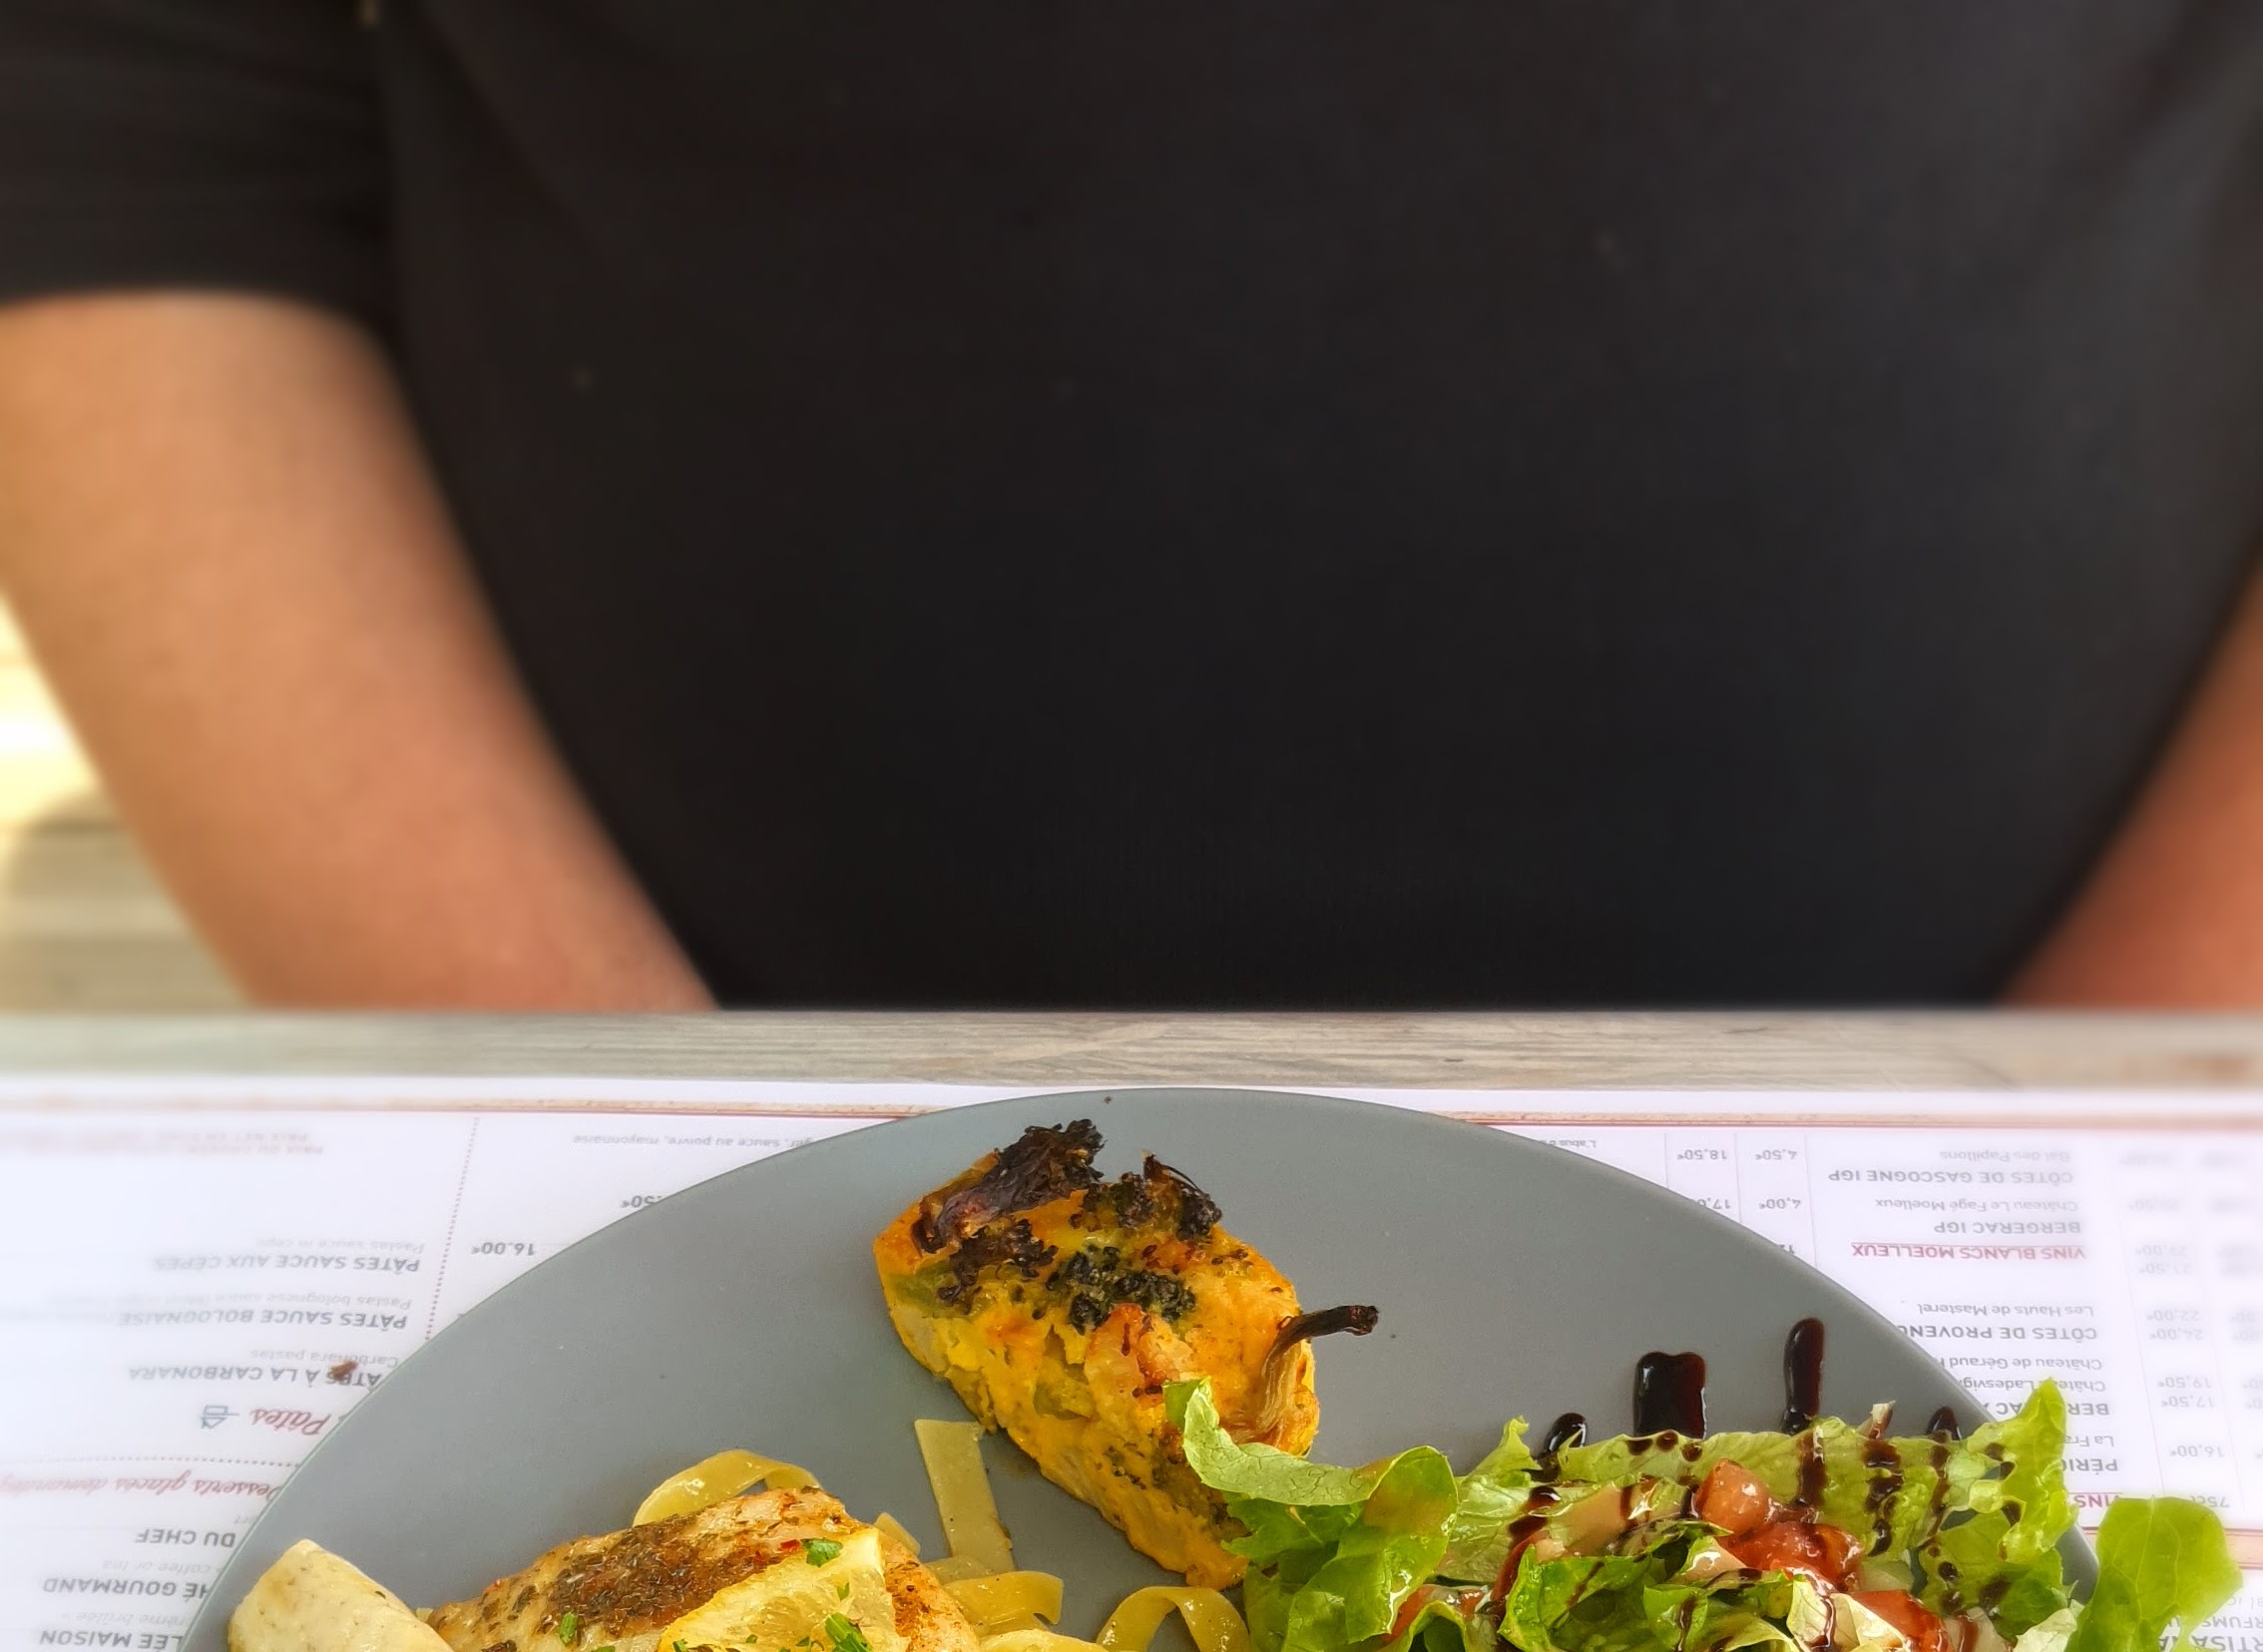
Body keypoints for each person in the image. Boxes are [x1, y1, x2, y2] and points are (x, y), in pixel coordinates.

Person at [0, 2, 2257, 1015]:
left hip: (2066, 1048)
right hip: (654, 1010)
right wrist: (618, 1138)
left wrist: (2113, 1102)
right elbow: (110, 90)